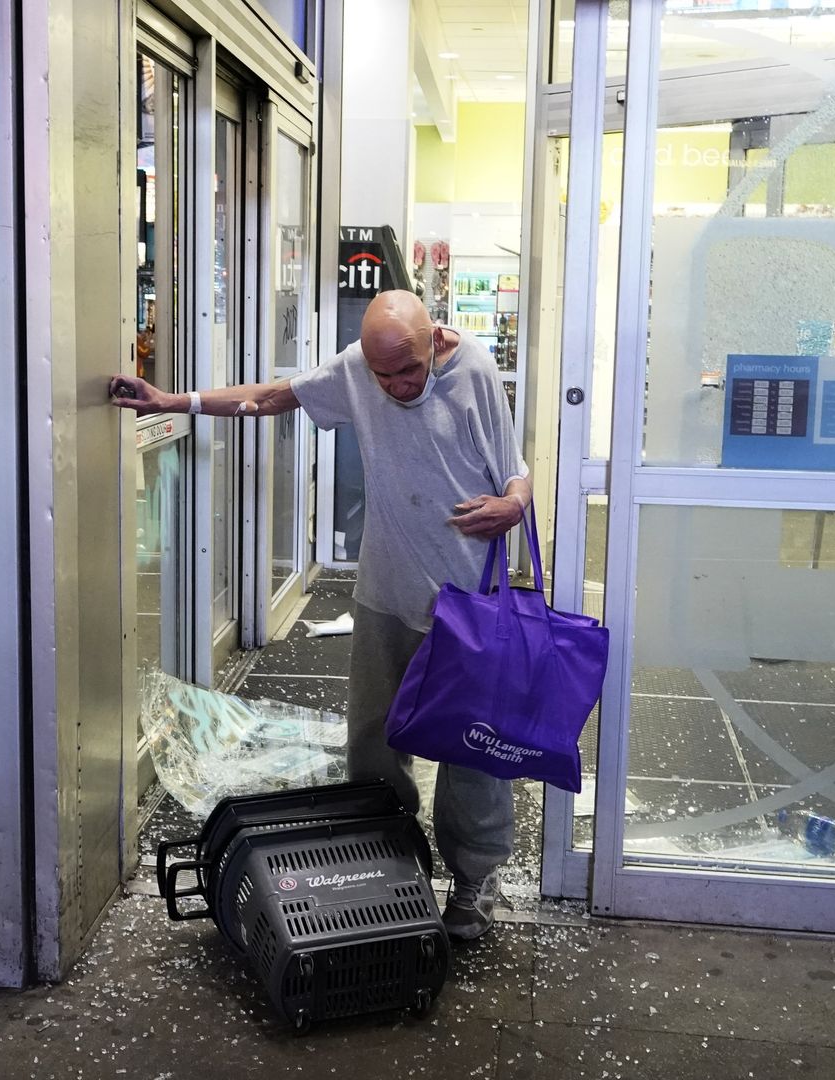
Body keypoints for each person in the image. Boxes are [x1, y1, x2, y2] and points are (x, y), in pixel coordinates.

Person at [109, 289, 529, 941]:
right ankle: (389, 856)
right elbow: (272, 397)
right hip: (385, 592)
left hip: (468, 601)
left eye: (408, 370)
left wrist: (515, 504)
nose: (396, 386)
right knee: (372, 741)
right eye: (383, 375)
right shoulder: (358, 369)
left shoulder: (471, 368)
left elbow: (513, 472)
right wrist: (172, 402)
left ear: (435, 340)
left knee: (470, 750)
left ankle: (474, 879)